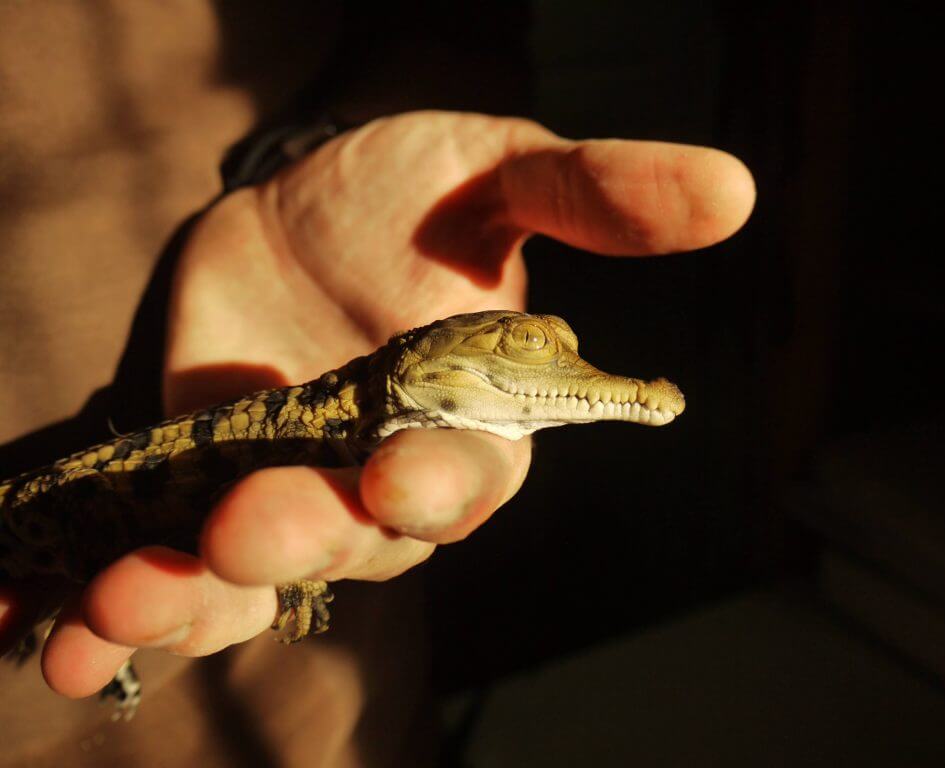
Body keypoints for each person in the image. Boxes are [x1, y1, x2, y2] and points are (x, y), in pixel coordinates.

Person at [0, 6, 755, 766]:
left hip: (307, 710)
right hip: (56, 535)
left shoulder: (342, 430)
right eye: (526, 346)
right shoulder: (314, 435)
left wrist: (345, 129)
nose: (558, 368)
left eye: (544, 345)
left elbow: (460, 27)